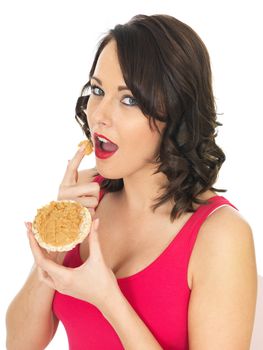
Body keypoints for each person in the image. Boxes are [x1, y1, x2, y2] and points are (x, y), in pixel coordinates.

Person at [6, 14, 257, 350]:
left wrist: (109, 299)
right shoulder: (85, 197)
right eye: (97, 90)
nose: (98, 115)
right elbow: (20, 343)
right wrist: (54, 249)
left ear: (176, 115)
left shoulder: (221, 235)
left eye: (129, 100)